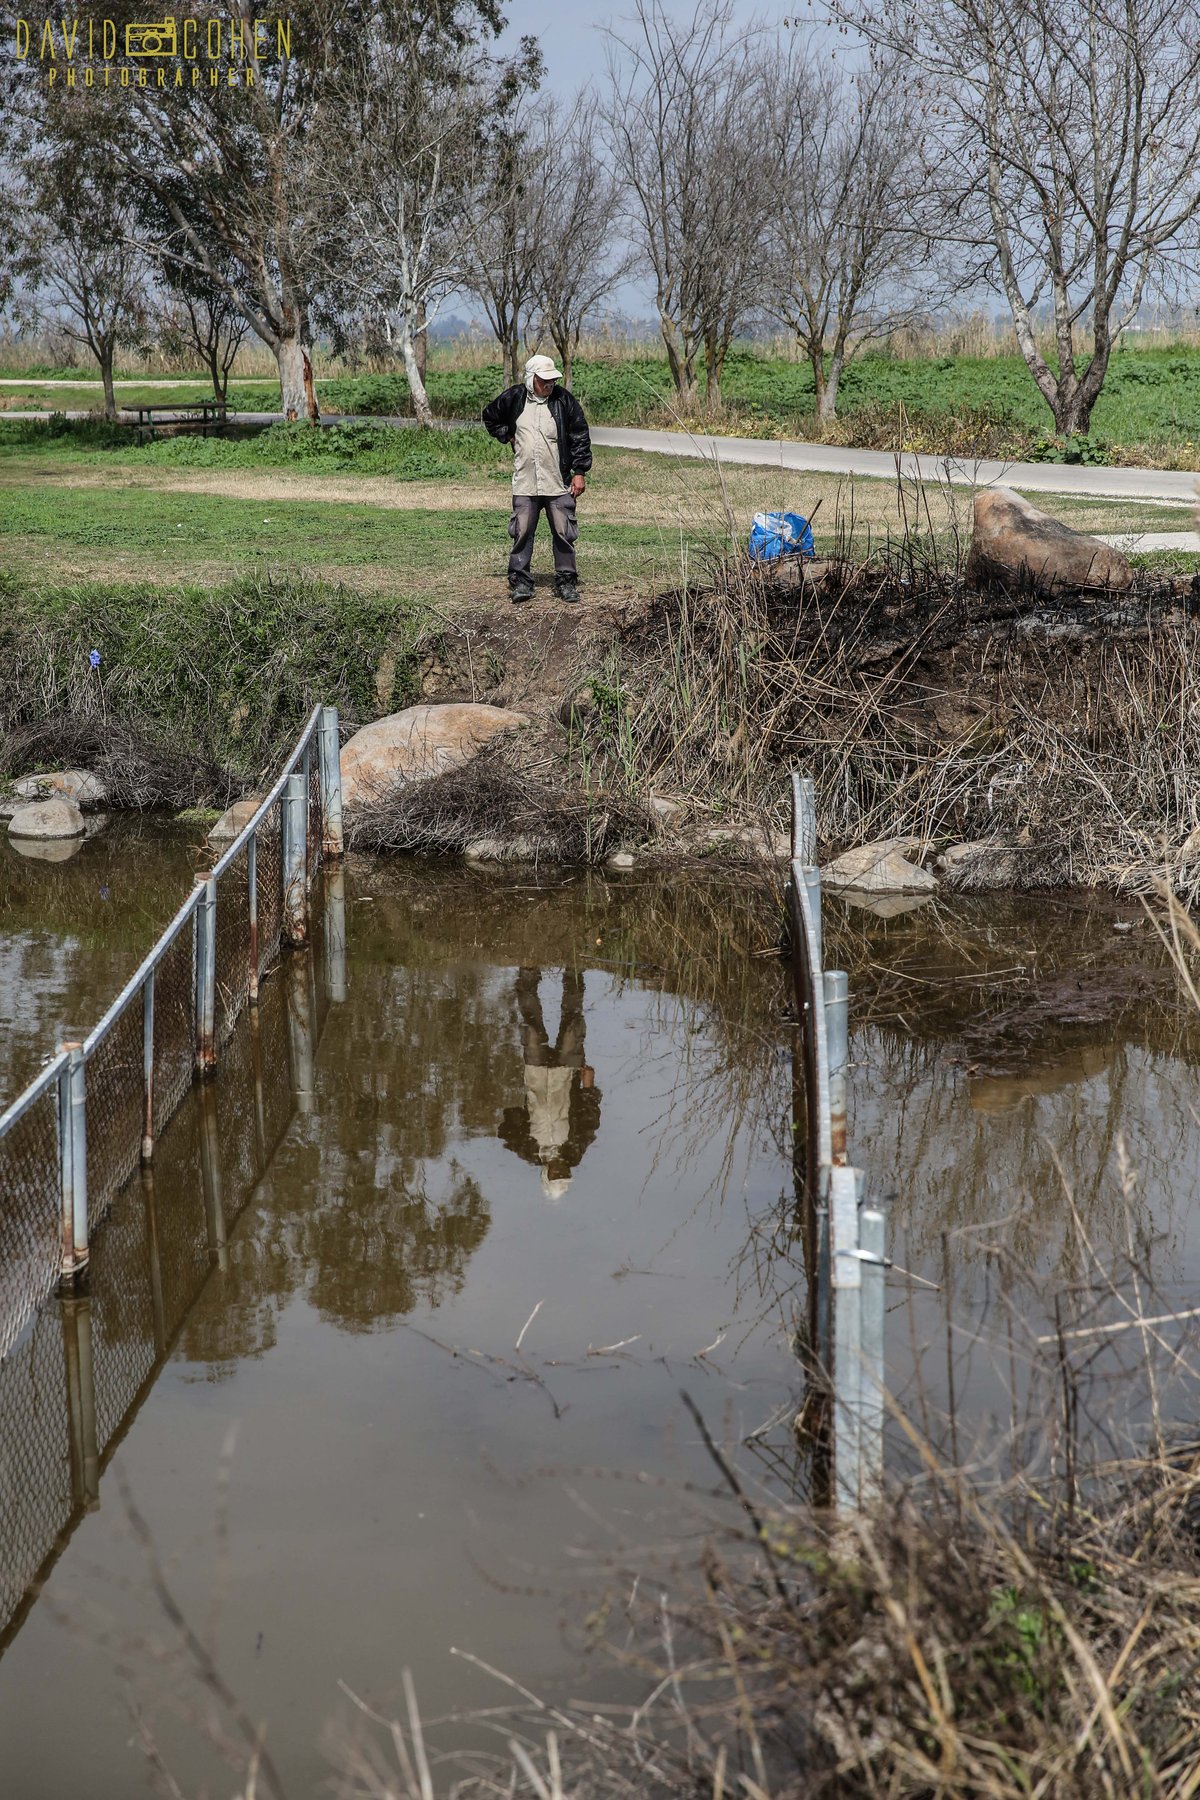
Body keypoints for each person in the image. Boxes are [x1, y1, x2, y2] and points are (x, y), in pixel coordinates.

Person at [482, 353, 593, 605]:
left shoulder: (564, 400)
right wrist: (507, 435)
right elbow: (490, 416)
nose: (549, 385)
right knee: (521, 531)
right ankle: (520, 581)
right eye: (544, 381)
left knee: (564, 532)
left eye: (552, 380)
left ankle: (566, 581)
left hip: (558, 482)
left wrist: (579, 472)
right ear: (531, 379)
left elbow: (580, 436)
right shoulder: (514, 398)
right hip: (525, 481)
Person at [498, 966, 601, 1198]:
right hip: (566, 1074)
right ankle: (573, 965)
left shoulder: (528, 1151)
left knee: (531, 1028)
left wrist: (518, 1118)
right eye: (563, 1174)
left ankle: (529, 968)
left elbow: (505, 1130)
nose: (560, 1170)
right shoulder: (574, 1149)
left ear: (545, 1175)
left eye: (555, 1175)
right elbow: (589, 1120)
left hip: (535, 1073)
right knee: (573, 1026)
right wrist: (589, 1086)